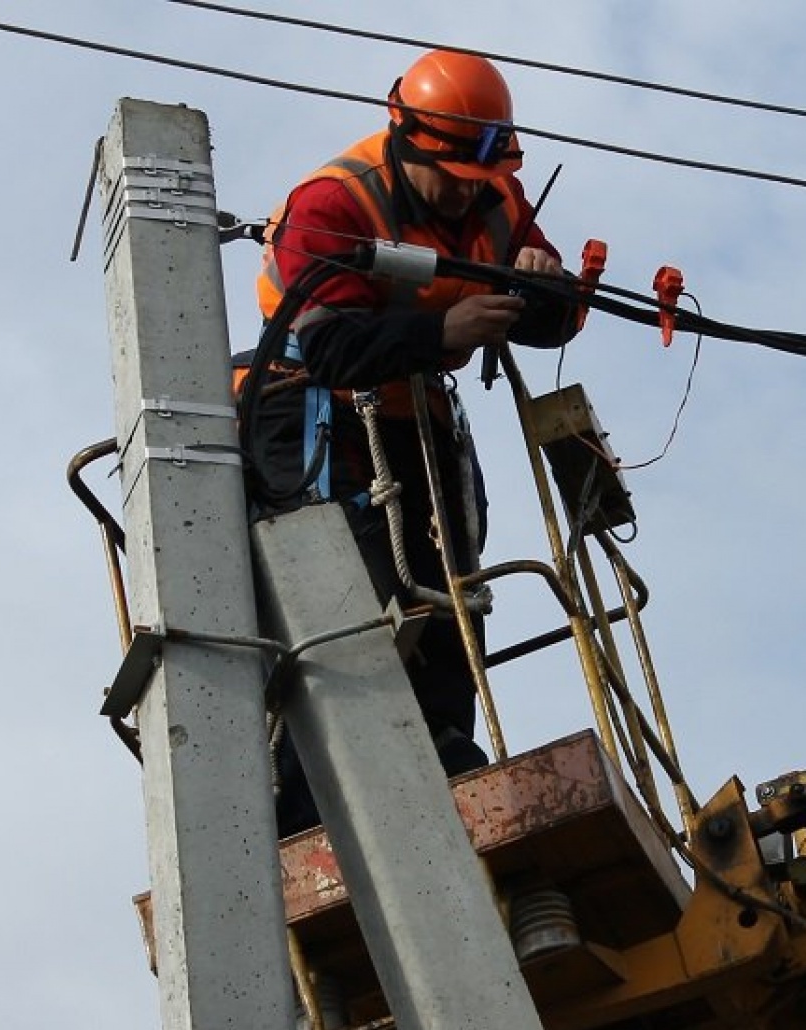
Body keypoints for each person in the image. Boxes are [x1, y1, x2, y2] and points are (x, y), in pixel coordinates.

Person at [241, 50, 582, 831]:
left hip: (416, 420)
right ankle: (308, 801)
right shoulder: (334, 202)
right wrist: (442, 331)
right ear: (407, 142)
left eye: (480, 175)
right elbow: (329, 347)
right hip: (311, 415)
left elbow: (556, 318)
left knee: (449, 592)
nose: (467, 190)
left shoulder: (497, 197)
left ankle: (445, 752)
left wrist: (544, 289)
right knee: (350, 605)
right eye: (453, 175)